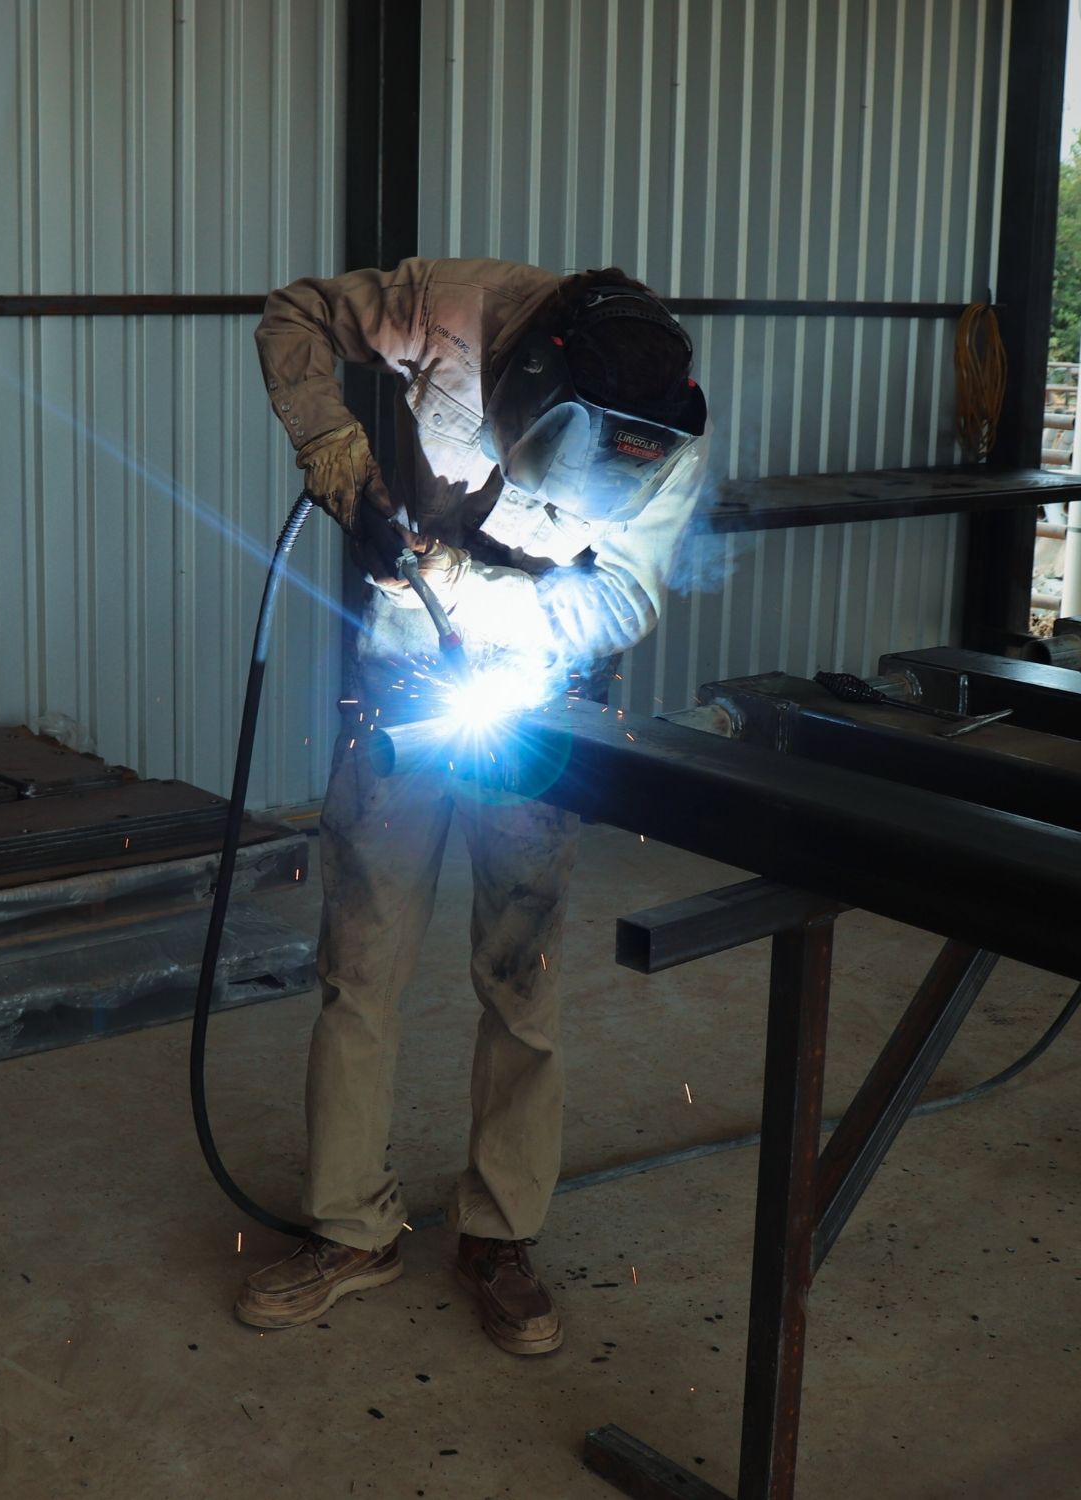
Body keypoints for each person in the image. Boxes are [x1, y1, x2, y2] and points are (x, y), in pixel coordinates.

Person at [236, 257, 709, 1356]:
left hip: (540, 717)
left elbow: (624, 596)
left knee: (519, 978)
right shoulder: (453, 311)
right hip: (399, 695)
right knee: (358, 970)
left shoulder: (667, 434)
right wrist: (329, 443)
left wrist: (455, 586)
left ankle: (500, 1233)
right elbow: (295, 312)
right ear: (530, 386)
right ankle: (353, 1230)